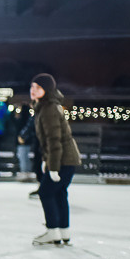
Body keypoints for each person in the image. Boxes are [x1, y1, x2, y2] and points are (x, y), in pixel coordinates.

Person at [30, 73, 81, 246]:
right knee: (59, 194)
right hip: (66, 159)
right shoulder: (46, 106)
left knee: (45, 192)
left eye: (38, 88)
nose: (33, 90)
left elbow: (54, 140)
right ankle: (63, 232)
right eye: (32, 87)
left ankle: (53, 231)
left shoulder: (49, 108)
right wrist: (47, 161)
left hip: (63, 160)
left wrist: (53, 167)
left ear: (47, 90)